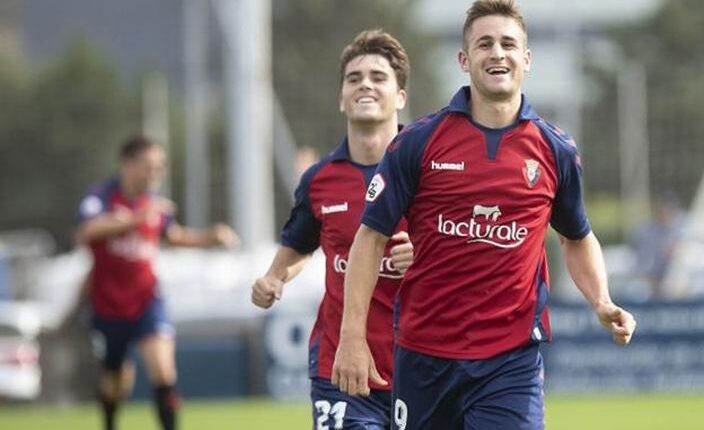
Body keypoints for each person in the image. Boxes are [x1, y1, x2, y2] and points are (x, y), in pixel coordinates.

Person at [331, 2, 637, 429]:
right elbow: (371, 238)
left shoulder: (555, 150)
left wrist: (601, 300)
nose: (497, 53)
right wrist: (352, 336)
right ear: (464, 59)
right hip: (425, 357)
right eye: (484, 44)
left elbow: (577, 237)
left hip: (510, 362)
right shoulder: (418, 143)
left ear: (526, 59)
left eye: (508, 44)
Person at [251, 30, 413, 429]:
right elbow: (300, 246)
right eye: (354, 78)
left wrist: (424, 253)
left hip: (420, 365)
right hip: (341, 366)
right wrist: (274, 276)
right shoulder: (320, 180)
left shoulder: (429, 171)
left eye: (378, 77)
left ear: (401, 97)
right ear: (341, 98)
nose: (365, 85)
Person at [76, 134, 237, 430]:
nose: (156, 174)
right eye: (150, 166)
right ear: (128, 164)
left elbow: (173, 237)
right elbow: (87, 231)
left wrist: (208, 237)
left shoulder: (153, 206)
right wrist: (137, 218)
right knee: (116, 380)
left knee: (163, 372)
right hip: (108, 304)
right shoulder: (101, 197)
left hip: (147, 299)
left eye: (160, 167)